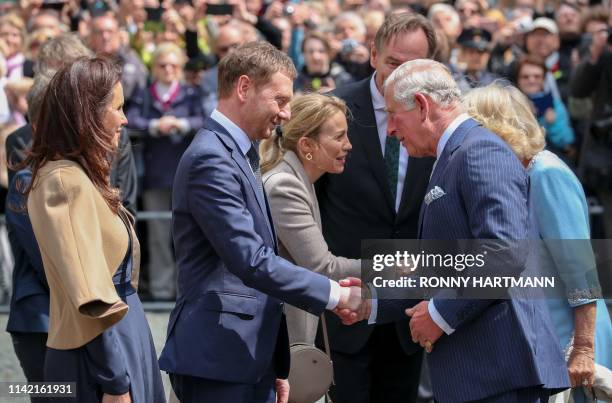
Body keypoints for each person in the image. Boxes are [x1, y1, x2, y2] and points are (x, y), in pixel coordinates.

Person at [340, 59, 570, 402]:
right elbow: (440, 264)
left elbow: (503, 253)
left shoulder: (480, 150)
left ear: (421, 105)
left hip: (499, 371)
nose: (389, 129)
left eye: (393, 115)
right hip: (481, 373)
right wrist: (372, 298)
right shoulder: (453, 156)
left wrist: (439, 314)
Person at [158, 41, 362, 403]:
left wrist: (270, 364)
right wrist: (338, 295)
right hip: (219, 358)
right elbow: (251, 260)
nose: (285, 114)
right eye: (280, 100)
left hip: (245, 357)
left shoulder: (235, 152)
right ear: (243, 88)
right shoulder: (212, 159)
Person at [25, 57, 165, 403]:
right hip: (98, 361)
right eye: (116, 108)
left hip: (119, 345)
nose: (124, 118)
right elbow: (89, 297)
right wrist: (115, 383)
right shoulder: (63, 180)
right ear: (86, 114)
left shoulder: (77, 175)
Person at [464, 83, 612, 403]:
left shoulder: (545, 172)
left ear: (496, 129)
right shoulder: (519, 174)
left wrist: (583, 349)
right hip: (545, 340)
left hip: (572, 339)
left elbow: (580, 269)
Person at [316, 13, 436, 403]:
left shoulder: (437, 117)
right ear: (372, 55)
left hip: (409, 312)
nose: (403, 75)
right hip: (346, 307)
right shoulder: (334, 110)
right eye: (393, 63)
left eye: (414, 66)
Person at [261, 93, 360, 346]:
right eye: (339, 137)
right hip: (277, 341)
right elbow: (323, 267)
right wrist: (399, 268)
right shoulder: (284, 185)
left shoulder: (299, 179)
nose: (348, 145)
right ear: (307, 146)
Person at [126, 42, 204, 301]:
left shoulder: (191, 93)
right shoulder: (144, 94)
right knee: (159, 235)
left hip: (188, 175)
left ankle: (187, 287)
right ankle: (161, 289)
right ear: (154, 67)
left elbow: (204, 118)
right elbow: (131, 119)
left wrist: (182, 124)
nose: (168, 69)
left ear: (181, 68)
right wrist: (153, 125)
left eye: (173, 65)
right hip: (156, 174)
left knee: (188, 234)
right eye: (162, 65)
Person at [515, 55, 575, 158]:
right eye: (525, 77)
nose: (531, 80)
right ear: (518, 80)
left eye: (537, 76)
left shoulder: (554, 105)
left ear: (543, 79)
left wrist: (552, 124)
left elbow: (566, 142)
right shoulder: (509, 105)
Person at [451, 28, 497, 93]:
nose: (476, 56)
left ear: (488, 54)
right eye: (471, 52)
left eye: (480, 52)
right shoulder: (453, 83)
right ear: (463, 54)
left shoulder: (496, 83)